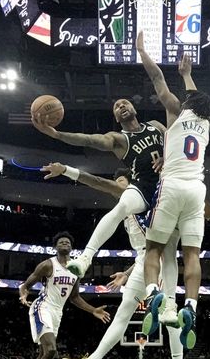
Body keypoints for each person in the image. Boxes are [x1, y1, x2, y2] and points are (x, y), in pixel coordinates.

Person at [42, 163, 188, 359]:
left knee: (169, 316)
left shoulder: (146, 198)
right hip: (143, 261)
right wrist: (128, 273)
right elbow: (143, 249)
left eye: (122, 185)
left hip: (160, 259)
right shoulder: (125, 212)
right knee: (122, 313)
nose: (117, 190)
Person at [136, 31, 210, 349]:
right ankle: (192, 307)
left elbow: (157, 80)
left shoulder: (176, 112)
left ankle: (154, 295)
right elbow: (197, 100)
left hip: (172, 186)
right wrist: (188, 75)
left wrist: (143, 52)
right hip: (198, 191)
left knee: (152, 248)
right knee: (192, 254)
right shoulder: (207, 124)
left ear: (187, 104)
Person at [31, 96, 166, 280]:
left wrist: (167, 156)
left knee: (168, 251)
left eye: (124, 102)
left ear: (134, 107)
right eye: (116, 106)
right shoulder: (118, 139)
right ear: (116, 118)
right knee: (122, 206)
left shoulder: (155, 125)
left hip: (167, 188)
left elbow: (177, 142)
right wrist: (57, 134)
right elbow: (88, 140)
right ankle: (85, 258)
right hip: (145, 187)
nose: (121, 105)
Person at [14, 232, 110, 359]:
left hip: (57, 313)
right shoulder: (48, 265)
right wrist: (23, 293)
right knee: (51, 350)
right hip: (43, 307)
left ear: (71, 247)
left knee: (43, 354)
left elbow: (74, 297)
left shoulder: (76, 269)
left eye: (67, 241)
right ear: (56, 247)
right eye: (61, 241)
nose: (65, 243)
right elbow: (26, 285)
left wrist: (93, 310)